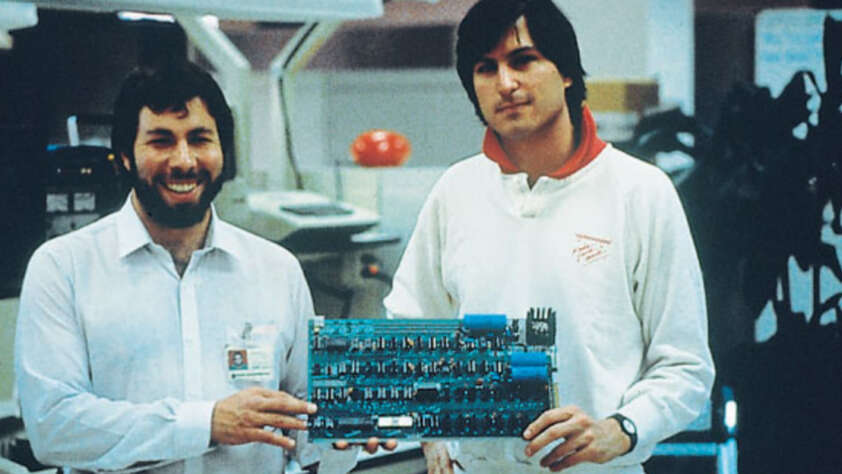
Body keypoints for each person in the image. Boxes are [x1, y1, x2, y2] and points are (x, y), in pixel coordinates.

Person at [383, 0, 715, 473]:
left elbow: (685, 368)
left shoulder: (639, 192)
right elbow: (408, 334)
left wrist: (620, 429)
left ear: (565, 73)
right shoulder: (456, 191)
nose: (506, 83)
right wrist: (430, 433)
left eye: (523, 61)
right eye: (486, 68)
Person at [14, 60, 381, 474]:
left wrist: (343, 434)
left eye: (200, 139)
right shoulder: (63, 267)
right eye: (161, 141)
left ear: (223, 152)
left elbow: (302, 417)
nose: (184, 160)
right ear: (124, 157)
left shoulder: (277, 270)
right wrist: (206, 423)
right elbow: (53, 426)